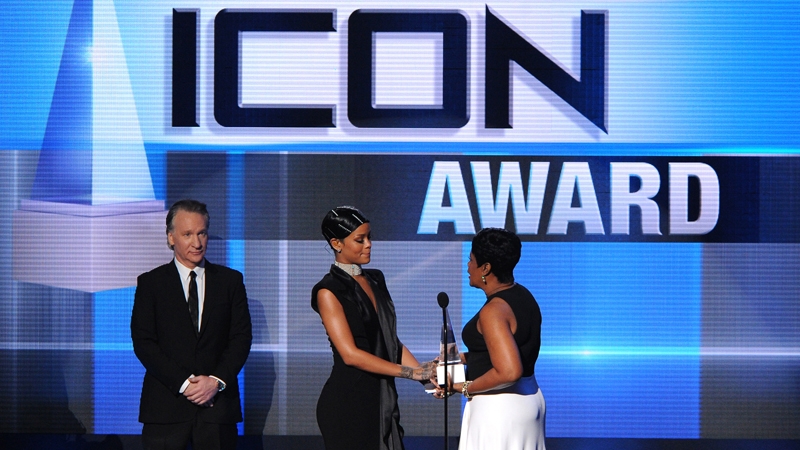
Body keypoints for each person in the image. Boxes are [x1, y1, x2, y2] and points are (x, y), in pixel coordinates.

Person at [311, 206, 436, 450]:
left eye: (369, 237)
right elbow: (351, 355)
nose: (368, 244)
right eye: (360, 239)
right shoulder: (328, 290)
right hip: (349, 403)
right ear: (337, 243)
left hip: (382, 396)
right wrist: (411, 373)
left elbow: (390, 340)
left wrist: (427, 378)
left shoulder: (376, 278)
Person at [131, 199, 252, 450]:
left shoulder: (230, 281)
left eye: (202, 233)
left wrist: (215, 382)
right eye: (187, 234)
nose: (197, 243)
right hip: (165, 409)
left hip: (217, 409)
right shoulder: (151, 284)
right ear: (171, 237)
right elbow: (144, 343)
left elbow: (240, 338)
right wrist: (186, 384)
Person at [438, 227, 546, 449]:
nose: (468, 267)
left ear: (485, 268)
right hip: (526, 402)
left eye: (471, 260)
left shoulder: (494, 311)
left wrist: (463, 387)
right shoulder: (523, 295)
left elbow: (509, 371)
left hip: (499, 411)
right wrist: (461, 358)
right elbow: (505, 350)